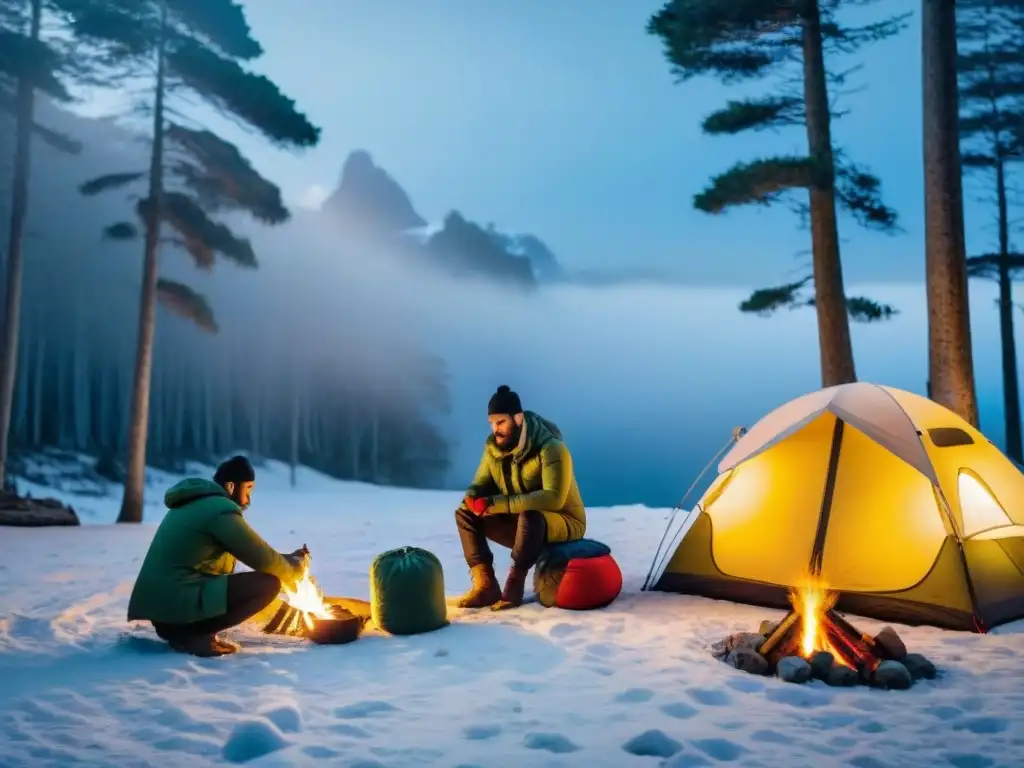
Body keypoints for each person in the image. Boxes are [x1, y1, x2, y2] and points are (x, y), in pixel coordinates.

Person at [127, 455, 308, 657]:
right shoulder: (219, 511)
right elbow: (262, 559)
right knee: (267, 585)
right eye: (247, 489)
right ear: (231, 486)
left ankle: (192, 633)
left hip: (165, 612)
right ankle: (195, 636)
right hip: (177, 612)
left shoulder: (198, 504)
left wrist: (288, 560)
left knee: (254, 581)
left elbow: (257, 553)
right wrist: (295, 570)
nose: (249, 498)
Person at [455, 385, 586, 610]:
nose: (496, 429)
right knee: (465, 514)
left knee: (531, 515)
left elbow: (553, 498)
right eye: (492, 423)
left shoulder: (551, 448)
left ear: (518, 418)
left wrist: (498, 505)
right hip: (523, 522)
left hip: (563, 521)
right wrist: (473, 499)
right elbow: (480, 484)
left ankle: (514, 585)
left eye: (501, 422)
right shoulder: (493, 450)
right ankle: (485, 585)